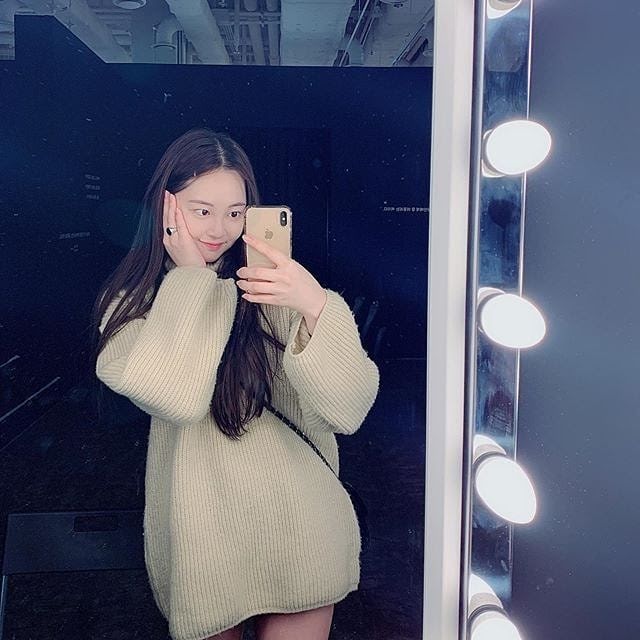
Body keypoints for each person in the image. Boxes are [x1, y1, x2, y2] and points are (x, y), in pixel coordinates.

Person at [91, 128, 379, 640]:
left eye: (235, 212)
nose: (219, 229)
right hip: (204, 546)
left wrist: (315, 305)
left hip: (302, 529)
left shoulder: (276, 292)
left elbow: (349, 410)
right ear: (166, 207)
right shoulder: (131, 305)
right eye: (201, 210)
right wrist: (191, 279)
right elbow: (174, 397)